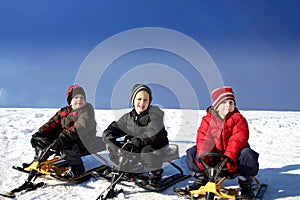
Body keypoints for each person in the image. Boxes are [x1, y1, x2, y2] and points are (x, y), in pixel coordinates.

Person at [185, 86, 259, 197]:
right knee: (193, 152)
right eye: (224, 102)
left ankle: (245, 183)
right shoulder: (208, 120)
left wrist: (229, 158)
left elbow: (238, 140)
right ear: (217, 105)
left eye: (231, 102)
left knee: (247, 154)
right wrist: (204, 159)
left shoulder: (238, 119)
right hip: (212, 160)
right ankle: (201, 178)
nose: (228, 105)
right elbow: (204, 139)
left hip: (233, 160)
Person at [102, 84, 169, 187]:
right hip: (136, 145)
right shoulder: (128, 117)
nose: (142, 103)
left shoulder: (154, 115)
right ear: (133, 100)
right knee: (116, 145)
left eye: (145, 100)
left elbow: (152, 134)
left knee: (147, 151)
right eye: (139, 99)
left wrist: (133, 144)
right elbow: (116, 127)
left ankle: (155, 176)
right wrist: (108, 136)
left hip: (156, 146)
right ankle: (124, 168)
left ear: (149, 102)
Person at [30, 84, 97, 180]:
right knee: (42, 140)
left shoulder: (86, 110)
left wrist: (65, 137)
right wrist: (40, 133)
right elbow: (51, 124)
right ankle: (38, 161)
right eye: (76, 97)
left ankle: (78, 168)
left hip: (85, 141)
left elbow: (81, 127)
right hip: (66, 137)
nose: (79, 100)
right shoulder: (64, 111)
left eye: (82, 97)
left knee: (68, 142)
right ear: (70, 100)